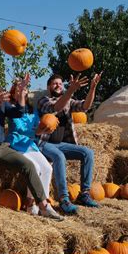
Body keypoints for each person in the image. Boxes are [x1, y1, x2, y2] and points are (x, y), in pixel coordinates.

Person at [0, 73, 63, 221]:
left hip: (1, 146)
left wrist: (21, 92)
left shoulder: (3, 103)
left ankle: (44, 205)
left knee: (29, 165)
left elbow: (19, 112)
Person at [37, 73, 102, 214]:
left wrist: (92, 88)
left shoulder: (69, 101)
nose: (58, 85)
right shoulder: (43, 100)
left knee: (88, 153)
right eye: (55, 83)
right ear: (49, 86)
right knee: (59, 156)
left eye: (60, 83)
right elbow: (56, 108)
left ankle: (84, 194)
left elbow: (85, 106)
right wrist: (71, 90)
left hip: (61, 143)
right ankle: (64, 199)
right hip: (45, 144)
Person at [6, 76, 54, 215]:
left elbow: (36, 127)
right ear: (13, 92)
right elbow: (20, 129)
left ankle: (43, 202)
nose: (22, 91)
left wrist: (43, 129)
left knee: (47, 168)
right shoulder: (11, 108)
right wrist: (37, 131)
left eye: (24, 88)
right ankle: (30, 203)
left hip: (29, 145)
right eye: (18, 89)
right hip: (16, 144)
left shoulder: (33, 110)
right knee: (36, 167)